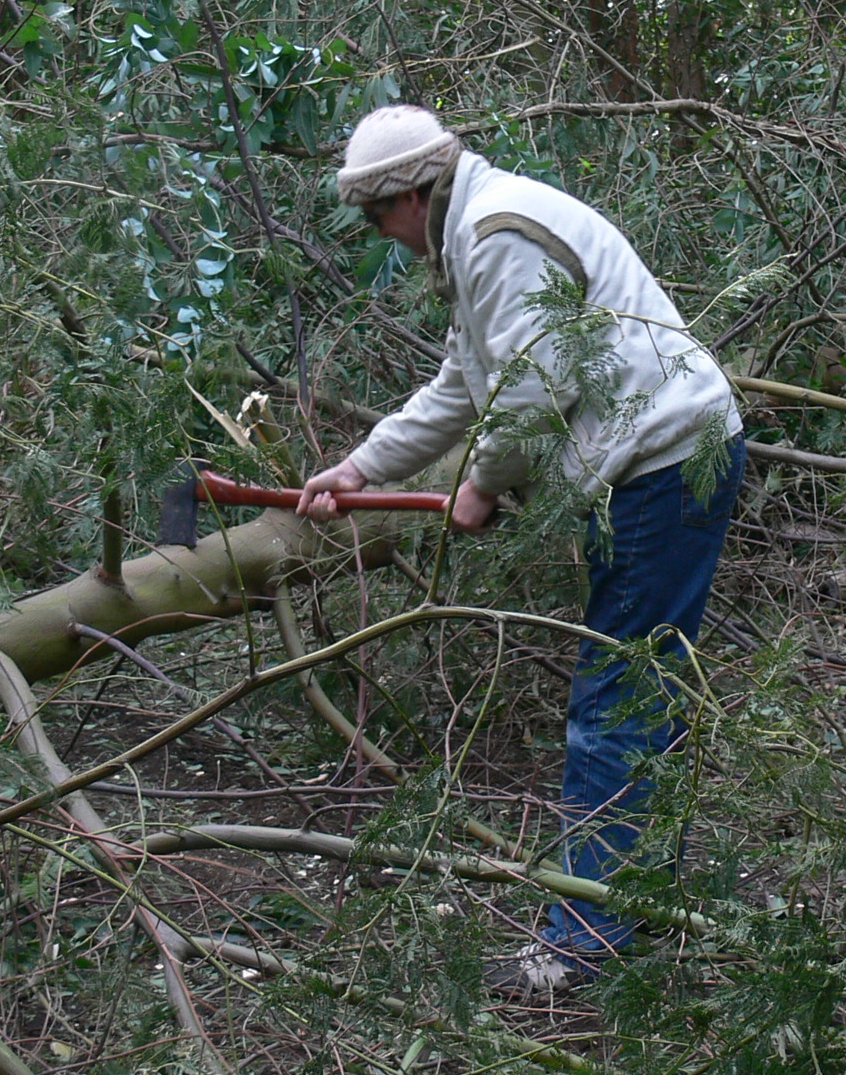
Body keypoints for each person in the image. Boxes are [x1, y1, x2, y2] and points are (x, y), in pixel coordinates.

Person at [299, 104, 745, 994]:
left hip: (663, 464)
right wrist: (359, 467)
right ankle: (642, 907)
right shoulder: (477, 232)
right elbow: (460, 386)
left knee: (615, 701)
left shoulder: (497, 234)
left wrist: (482, 482)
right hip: (663, 460)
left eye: (375, 215)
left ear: (411, 194)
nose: (379, 235)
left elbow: (536, 385)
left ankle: (584, 940)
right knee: (645, 694)